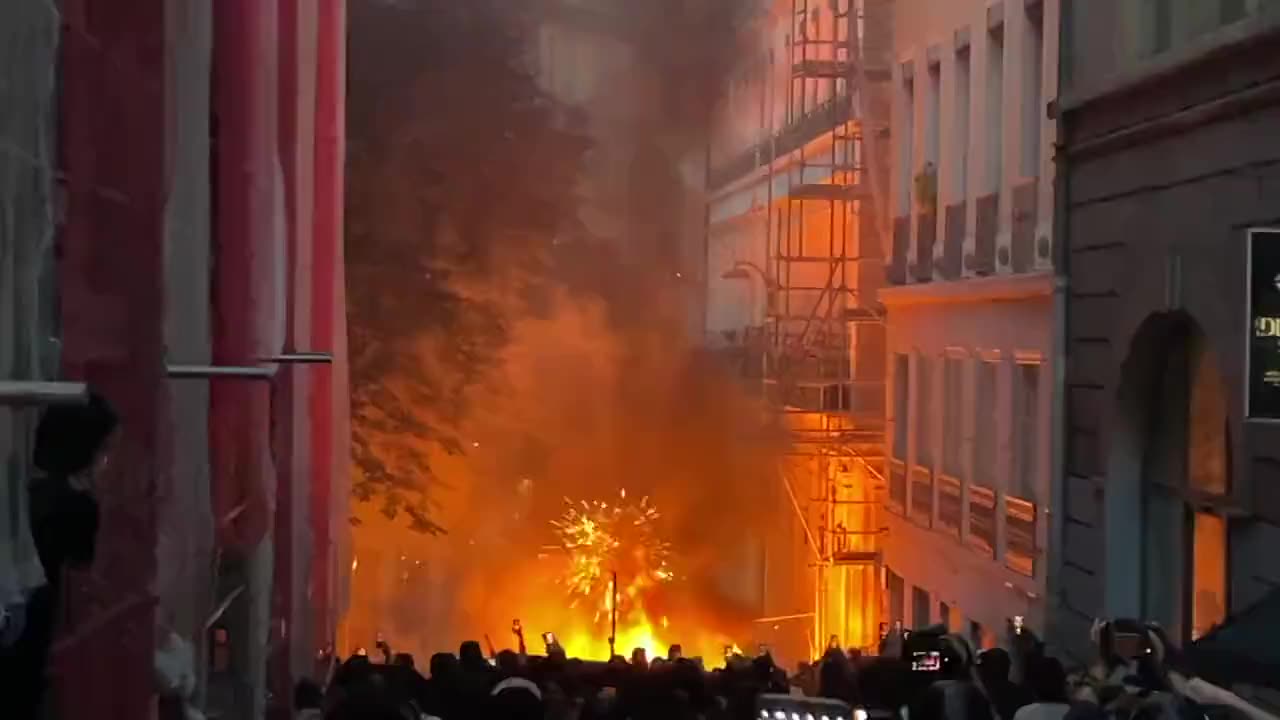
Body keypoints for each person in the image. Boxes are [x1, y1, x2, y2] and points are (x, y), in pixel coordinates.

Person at [0, 390, 118, 719]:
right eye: (104, 451)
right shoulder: (76, 508)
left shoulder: (27, 489)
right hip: (30, 630)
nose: (107, 462)